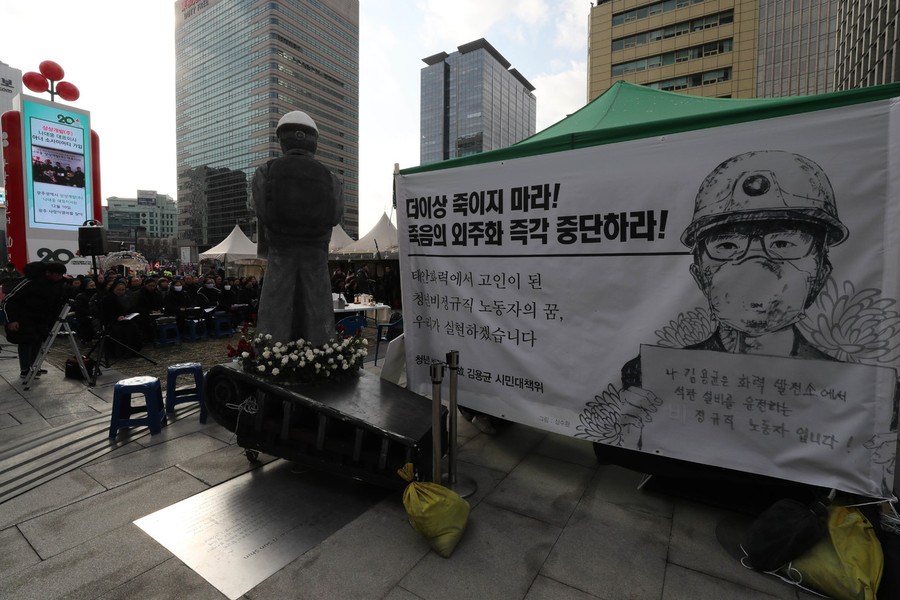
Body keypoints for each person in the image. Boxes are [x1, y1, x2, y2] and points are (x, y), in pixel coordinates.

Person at [591, 150, 856, 469]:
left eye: (783, 244)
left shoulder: (854, 394)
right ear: (699, 275)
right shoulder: (646, 375)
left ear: (821, 272)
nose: (755, 267)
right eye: (727, 247)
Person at [251, 110, 343, 346]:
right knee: (318, 304)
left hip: (280, 247)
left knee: (276, 305)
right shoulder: (331, 177)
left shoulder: (266, 171)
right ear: (315, 142)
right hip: (316, 249)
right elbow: (336, 215)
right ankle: (321, 351)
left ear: (282, 140)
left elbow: (261, 209)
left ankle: (270, 354)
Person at [2, 261, 68, 378]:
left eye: (61, 275)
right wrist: (12, 320)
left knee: (38, 341)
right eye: (57, 274)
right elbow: (8, 300)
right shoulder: (29, 282)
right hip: (24, 318)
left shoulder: (56, 284)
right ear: (48, 273)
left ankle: (34, 366)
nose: (60, 277)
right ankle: (25, 369)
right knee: (26, 342)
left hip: (41, 319)